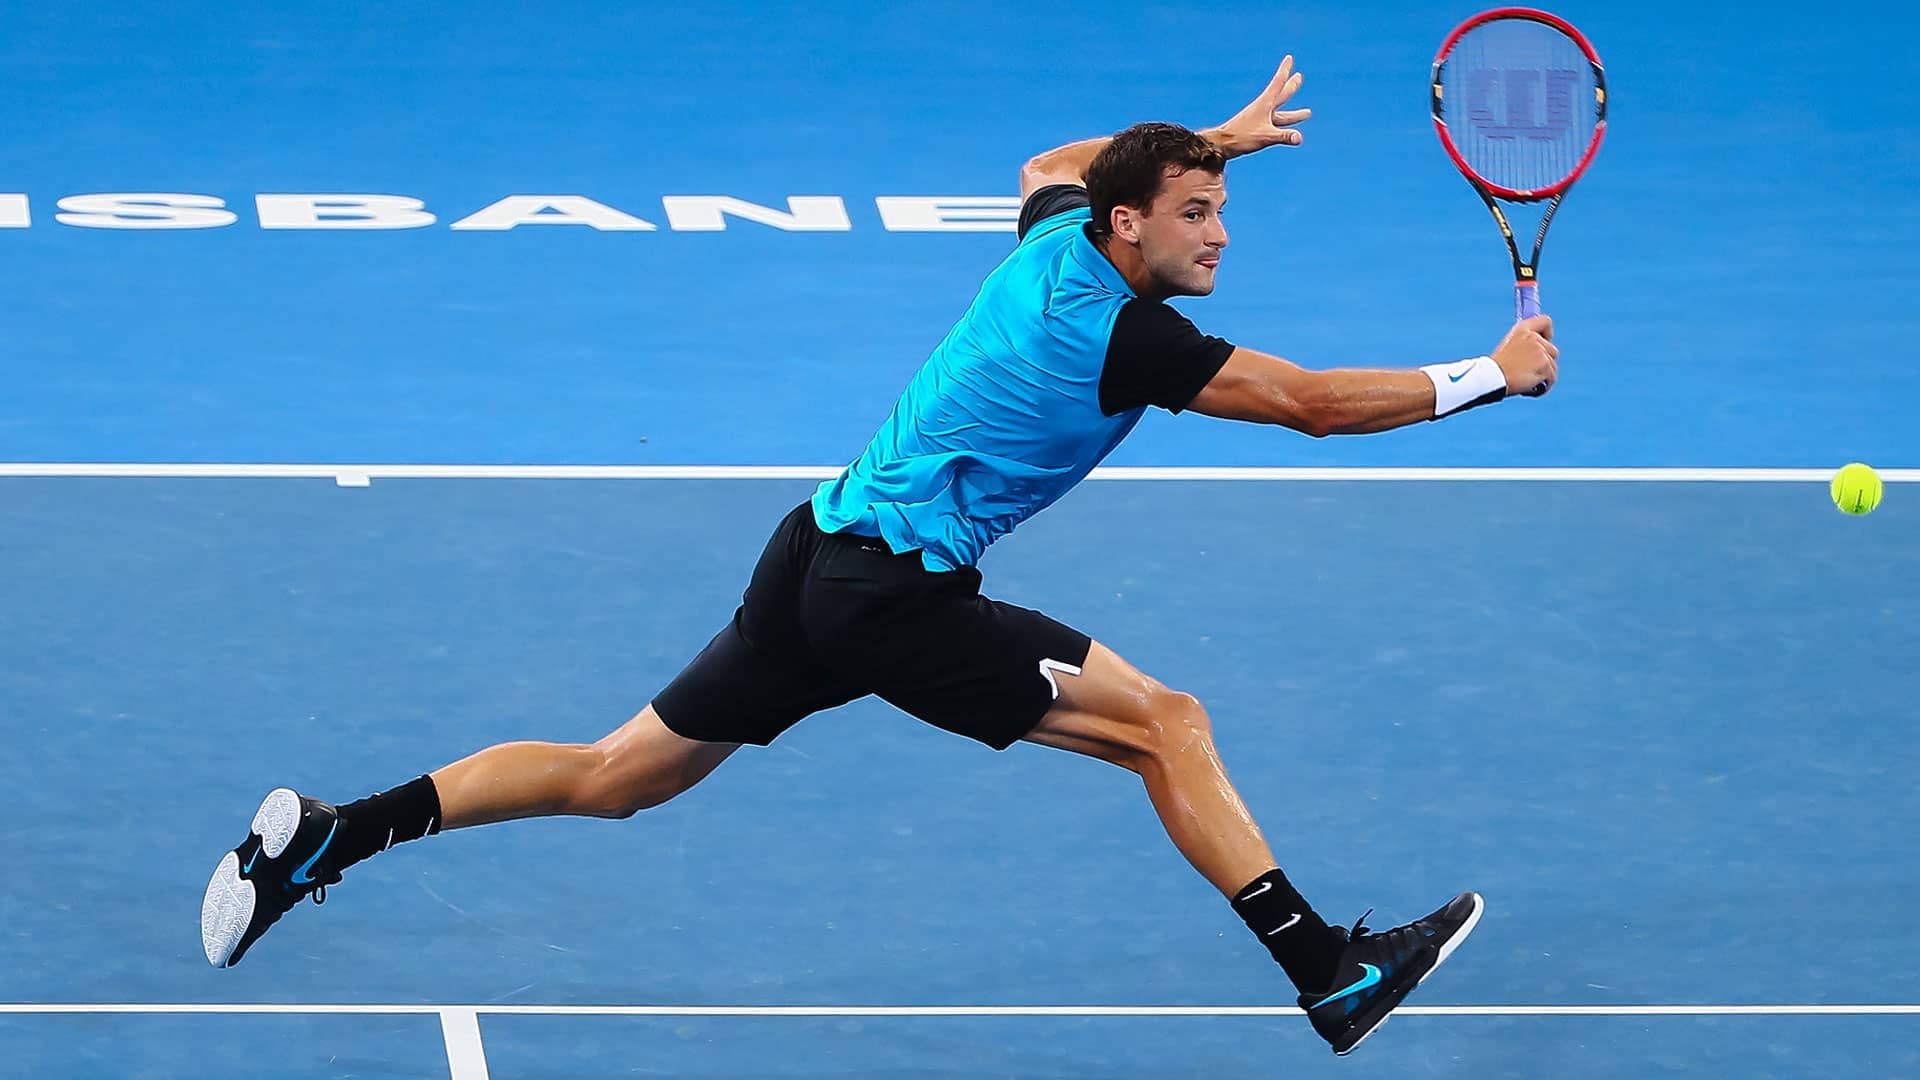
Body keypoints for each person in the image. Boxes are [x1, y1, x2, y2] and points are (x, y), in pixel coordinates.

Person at [200, 56, 1558, 1056]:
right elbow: (1313, 404)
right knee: (1168, 727)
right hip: (893, 595)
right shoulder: (1130, 339)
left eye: (1222, 203)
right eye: (1198, 208)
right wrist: (1486, 377)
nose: (1221, 229)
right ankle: (1327, 972)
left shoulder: (1056, 240)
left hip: (815, 551)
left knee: (621, 777)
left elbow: (1049, 165)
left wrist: (1214, 139)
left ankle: (329, 836)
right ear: (1133, 227)